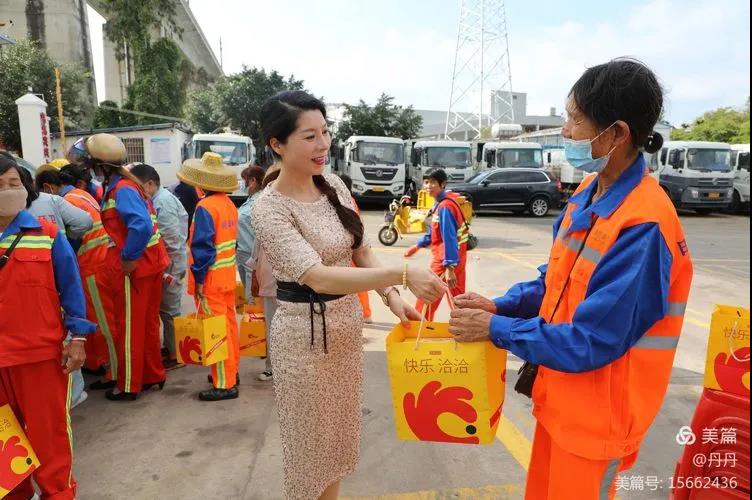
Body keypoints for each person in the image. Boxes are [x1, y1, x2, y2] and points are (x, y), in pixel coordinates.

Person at [448, 58, 693, 500]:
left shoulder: (644, 225)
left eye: (575, 120)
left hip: (599, 423)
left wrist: (497, 329)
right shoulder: (586, 193)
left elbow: (593, 340)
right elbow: (555, 282)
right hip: (560, 402)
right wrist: (500, 306)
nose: (564, 131)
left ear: (616, 133)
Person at [250, 90, 446, 500]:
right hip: (302, 339)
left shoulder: (334, 185)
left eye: (325, 132)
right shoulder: (269, 208)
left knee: (338, 443)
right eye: (309, 136)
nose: (323, 144)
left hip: (344, 330)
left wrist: (391, 296)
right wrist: (403, 272)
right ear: (277, 144)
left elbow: (361, 249)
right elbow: (317, 277)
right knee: (310, 450)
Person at [0, 154, 95, 499]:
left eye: (13, 183)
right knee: (4, 440)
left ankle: (58, 494)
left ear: (26, 189)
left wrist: (78, 338)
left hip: (39, 356)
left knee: (48, 436)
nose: (6, 191)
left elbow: (72, 289)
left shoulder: (48, 235)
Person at [68, 133, 170, 401]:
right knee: (146, 325)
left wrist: (128, 258)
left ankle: (128, 386)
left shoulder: (122, 189)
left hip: (135, 269)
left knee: (128, 328)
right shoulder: (129, 185)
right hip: (150, 265)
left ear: (101, 166)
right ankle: (152, 375)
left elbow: (141, 226)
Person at [36, 165, 119, 392]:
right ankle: (98, 361)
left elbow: (74, 235)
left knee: (104, 322)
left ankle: (115, 371)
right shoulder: (81, 194)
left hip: (92, 265)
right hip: (102, 262)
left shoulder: (65, 201)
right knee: (100, 318)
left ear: (48, 187)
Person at [178, 152, 241, 401]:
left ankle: (224, 384)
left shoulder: (205, 207)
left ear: (201, 183)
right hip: (226, 278)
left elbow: (203, 249)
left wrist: (200, 281)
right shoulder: (228, 204)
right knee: (228, 327)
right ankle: (231, 372)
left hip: (211, 281)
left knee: (216, 333)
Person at [130, 163, 189, 371]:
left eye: (138, 186)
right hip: (168, 262)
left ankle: (175, 354)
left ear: (150, 183)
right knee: (165, 308)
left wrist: (164, 268)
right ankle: (171, 348)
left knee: (170, 310)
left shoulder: (162, 201)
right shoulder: (157, 199)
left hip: (171, 263)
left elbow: (171, 239)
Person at [404, 167, 469, 320]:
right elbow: (434, 233)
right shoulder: (442, 202)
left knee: (427, 296)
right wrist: (417, 246)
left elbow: (449, 237)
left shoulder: (445, 207)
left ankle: (419, 326)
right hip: (457, 258)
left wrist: (449, 267)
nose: (428, 186)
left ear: (443, 184)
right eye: (426, 182)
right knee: (457, 298)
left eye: (433, 182)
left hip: (445, 260)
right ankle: (466, 324)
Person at [339, 174, 373, 323]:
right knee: (359, 281)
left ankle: (365, 313)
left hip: (352, 247)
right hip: (355, 245)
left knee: (357, 282)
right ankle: (365, 313)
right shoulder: (350, 200)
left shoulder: (345, 202)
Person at [237, 165, 265, 299]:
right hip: (243, 255)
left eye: (244, 180)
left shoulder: (260, 201)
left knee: (252, 300)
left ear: (253, 181)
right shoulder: (251, 199)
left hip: (251, 258)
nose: (242, 184)